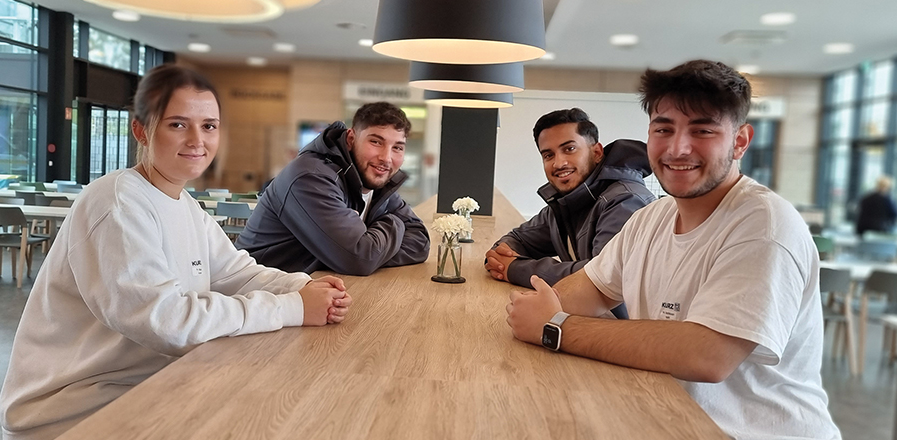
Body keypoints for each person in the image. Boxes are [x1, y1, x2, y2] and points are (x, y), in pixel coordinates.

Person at [0, 65, 352, 440]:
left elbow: (237, 273)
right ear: (141, 130)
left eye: (209, 126)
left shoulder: (184, 204)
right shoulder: (118, 202)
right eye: (178, 124)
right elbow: (167, 321)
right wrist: (293, 308)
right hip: (72, 414)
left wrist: (304, 288)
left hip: (145, 388)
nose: (198, 140)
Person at [505, 60, 840, 439]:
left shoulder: (764, 224)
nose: (678, 148)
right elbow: (585, 292)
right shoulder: (652, 218)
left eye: (702, 130)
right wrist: (543, 310)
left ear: (740, 141)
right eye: (663, 129)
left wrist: (556, 328)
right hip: (667, 417)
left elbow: (707, 355)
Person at [484, 108, 654, 319]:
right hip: (590, 321)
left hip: (627, 330)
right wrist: (501, 258)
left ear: (597, 152)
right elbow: (516, 239)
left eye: (569, 149)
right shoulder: (566, 203)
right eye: (548, 155)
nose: (559, 163)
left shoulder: (625, 200)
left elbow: (598, 278)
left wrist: (515, 269)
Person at [234, 102, 430, 276]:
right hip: (260, 292)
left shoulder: (375, 180)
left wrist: (368, 249)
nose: (386, 158)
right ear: (351, 139)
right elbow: (360, 259)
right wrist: (394, 223)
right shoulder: (311, 177)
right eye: (376, 142)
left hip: (311, 289)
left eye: (397, 147)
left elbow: (420, 242)